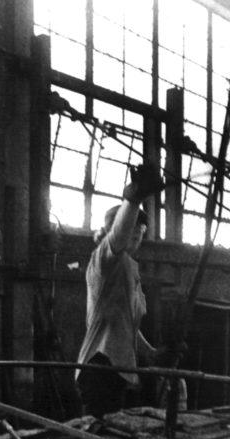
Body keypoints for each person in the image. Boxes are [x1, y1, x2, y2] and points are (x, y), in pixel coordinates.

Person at [76, 164, 163, 418]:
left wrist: (152, 354)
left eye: (142, 228)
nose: (138, 230)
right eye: (132, 224)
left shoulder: (129, 268)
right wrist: (133, 199)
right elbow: (118, 238)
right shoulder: (104, 259)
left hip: (118, 369)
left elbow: (127, 327)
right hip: (99, 366)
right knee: (99, 438)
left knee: (112, 437)